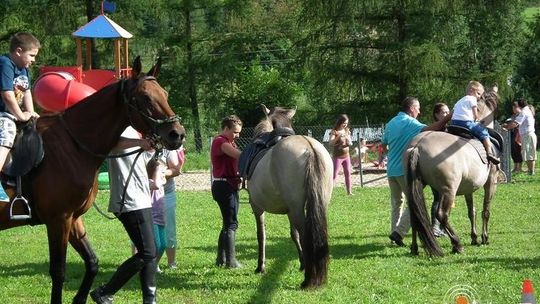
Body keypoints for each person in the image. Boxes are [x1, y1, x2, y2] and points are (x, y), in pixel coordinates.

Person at [91, 126, 157, 304]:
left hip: (142, 197)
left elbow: (139, 160)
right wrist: (141, 143)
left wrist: (151, 148)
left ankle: (150, 300)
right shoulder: (120, 125)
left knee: (150, 252)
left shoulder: (135, 131)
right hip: (128, 199)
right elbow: (112, 143)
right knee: (148, 252)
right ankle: (103, 292)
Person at [381, 97, 451, 247]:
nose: (419, 111)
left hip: (391, 171)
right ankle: (399, 232)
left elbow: (384, 143)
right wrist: (449, 116)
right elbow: (433, 127)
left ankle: (394, 233)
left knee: (397, 204)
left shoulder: (391, 122)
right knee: (414, 202)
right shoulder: (410, 123)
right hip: (404, 170)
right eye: (418, 108)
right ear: (412, 108)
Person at [0, 32, 41, 201]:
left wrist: (30, 113)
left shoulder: (24, 69)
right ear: (18, 51)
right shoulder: (5, 64)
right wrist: (20, 115)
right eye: (31, 55)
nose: (33, 60)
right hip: (3, 113)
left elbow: (26, 92)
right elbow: (7, 94)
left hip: (13, 114)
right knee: (7, 133)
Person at [211, 115, 243, 268]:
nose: (237, 135)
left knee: (227, 223)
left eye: (239, 132)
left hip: (229, 186)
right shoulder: (220, 141)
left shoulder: (230, 142)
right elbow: (239, 155)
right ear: (226, 128)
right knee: (231, 224)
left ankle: (221, 259)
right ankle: (231, 261)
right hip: (224, 186)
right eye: (235, 132)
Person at [451, 81, 500, 165]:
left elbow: (453, 111)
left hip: (454, 123)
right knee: (483, 132)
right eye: (478, 94)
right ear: (471, 90)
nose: (479, 97)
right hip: (466, 123)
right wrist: (477, 119)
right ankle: (489, 152)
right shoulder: (472, 99)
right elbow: (475, 111)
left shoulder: (460, 101)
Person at [160, 147, 184, 269]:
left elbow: (176, 170)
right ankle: (143, 263)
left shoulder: (167, 148)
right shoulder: (139, 144)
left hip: (166, 194)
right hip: (144, 195)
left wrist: (160, 174)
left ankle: (171, 262)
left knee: (169, 230)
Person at [430, 102, 450, 237]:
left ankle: (442, 227)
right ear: (436, 115)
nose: (446, 114)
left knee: (446, 198)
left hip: (449, 169)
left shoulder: (449, 129)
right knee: (438, 197)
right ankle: (435, 227)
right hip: (436, 168)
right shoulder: (434, 130)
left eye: (448, 111)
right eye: (443, 112)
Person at [502, 98, 537, 175]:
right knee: (527, 153)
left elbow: (515, 124)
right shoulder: (526, 110)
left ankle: (531, 171)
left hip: (528, 135)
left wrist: (506, 127)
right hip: (526, 135)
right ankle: (530, 171)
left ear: (520, 105)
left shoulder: (524, 112)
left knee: (529, 154)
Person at [147, 158, 167, 273]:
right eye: (162, 172)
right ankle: (149, 266)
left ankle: (155, 264)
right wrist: (158, 176)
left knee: (163, 244)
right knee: (157, 244)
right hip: (152, 218)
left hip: (161, 217)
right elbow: (156, 185)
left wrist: (161, 174)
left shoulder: (160, 181)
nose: (164, 175)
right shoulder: (150, 182)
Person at [329, 114, 353, 195]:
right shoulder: (334, 131)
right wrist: (338, 136)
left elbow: (350, 142)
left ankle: (349, 192)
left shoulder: (347, 130)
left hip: (346, 156)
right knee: (334, 175)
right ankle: (329, 192)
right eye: (344, 123)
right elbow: (331, 143)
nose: (345, 125)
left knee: (348, 173)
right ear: (340, 122)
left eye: (346, 123)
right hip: (337, 157)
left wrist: (348, 142)